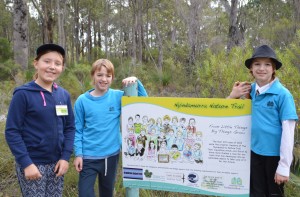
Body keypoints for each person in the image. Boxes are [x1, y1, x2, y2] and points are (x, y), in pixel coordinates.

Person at [5, 43, 75, 196]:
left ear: (62, 68)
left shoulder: (63, 95)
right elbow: (12, 131)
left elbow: (69, 128)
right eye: (47, 61)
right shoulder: (23, 94)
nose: (52, 67)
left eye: (57, 63)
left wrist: (65, 158)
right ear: (36, 63)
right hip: (33, 164)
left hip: (57, 164)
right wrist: (26, 163)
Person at [227, 44, 298, 197]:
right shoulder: (248, 91)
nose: (262, 68)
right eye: (257, 64)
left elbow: (288, 131)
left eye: (267, 64)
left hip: (274, 157)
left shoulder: (283, 95)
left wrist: (284, 166)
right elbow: (224, 114)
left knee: (274, 194)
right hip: (253, 153)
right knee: (255, 193)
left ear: (273, 69)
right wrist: (232, 97)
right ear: (251, 69)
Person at [73, 58, 147, 197]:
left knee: (107, 193)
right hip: (88, 157)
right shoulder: (82, 101)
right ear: (93, 76)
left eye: (108, 75)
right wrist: (78, 154)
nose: (104, 79)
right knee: (85, 193)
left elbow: (143, 101)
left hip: (111, 156)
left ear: (112, 77)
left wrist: (135, 80)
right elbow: (77, 130)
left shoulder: (117, 96)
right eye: (99, 75)